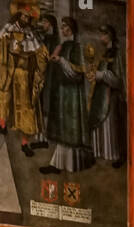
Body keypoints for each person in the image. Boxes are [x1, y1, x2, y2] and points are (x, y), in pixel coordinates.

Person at [0, 6, 48, 159]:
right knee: (2, 98)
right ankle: (1, 127)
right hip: (9, 71)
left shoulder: (31, 33)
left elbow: (40, 53)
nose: (25, 20)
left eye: (28, 18)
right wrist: (6, 42)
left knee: (26, 108)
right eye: (24, 17)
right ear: (19, 16)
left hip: (23, 74)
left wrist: (37, 59)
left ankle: (24, 143)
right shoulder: (9, 28)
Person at [39, 17, 94, 176]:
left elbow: (77, 73)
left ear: (70, 29)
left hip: (71, 96)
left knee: (69, 129)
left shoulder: (76, 47)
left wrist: (61, 60)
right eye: (62, 27)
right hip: (62, 93)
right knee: (63, 129)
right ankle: (59, 163)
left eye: (65, 27)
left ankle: (67, 164)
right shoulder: (63, 46)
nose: (62, 30)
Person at [90, 24, 126, 168]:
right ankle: (103, 153)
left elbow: (118, 80)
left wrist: (101, 75)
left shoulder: (116, 53)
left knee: (111, 125)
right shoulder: (106, 53)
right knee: (100, 122)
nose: (100, 38)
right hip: (102, 94)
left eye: (103, 34)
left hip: (111, 96)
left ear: (109, 35)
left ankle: (115, 155)